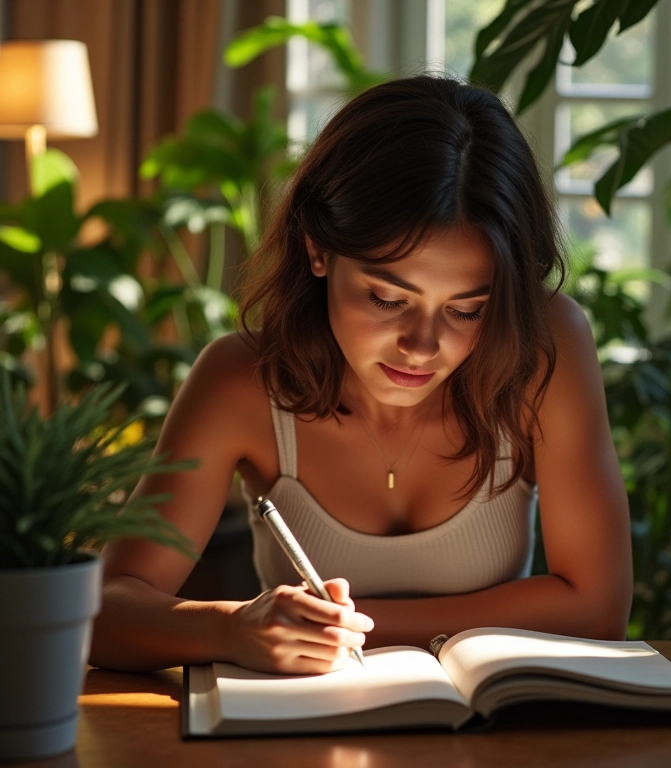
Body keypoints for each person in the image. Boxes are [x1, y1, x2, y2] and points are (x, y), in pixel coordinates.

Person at [90, 75, 633, 675]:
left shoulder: (542, 345)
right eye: (386, 298)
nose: (423, 347)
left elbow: (598, 607)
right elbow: (107, 612)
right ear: (318, 249)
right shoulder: (240, 381)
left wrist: (348, 625)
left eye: (467, 309)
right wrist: (233, 628)